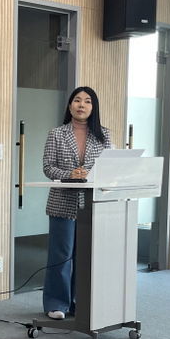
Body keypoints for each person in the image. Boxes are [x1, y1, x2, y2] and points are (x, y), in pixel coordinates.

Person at [41, 86, 113, 320]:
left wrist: (93, 175)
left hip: (92, 204)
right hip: (62, 202)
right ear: (70, 105)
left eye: (87, 101)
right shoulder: (56, 134)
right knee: (61, 256)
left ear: (94, 107)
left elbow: (109, 167)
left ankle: (80, 303)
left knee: (86, 256)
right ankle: (56, 304)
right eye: (77, 100)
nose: (82, 105)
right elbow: (48, 167)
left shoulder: (104, 136)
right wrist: (69, 174)